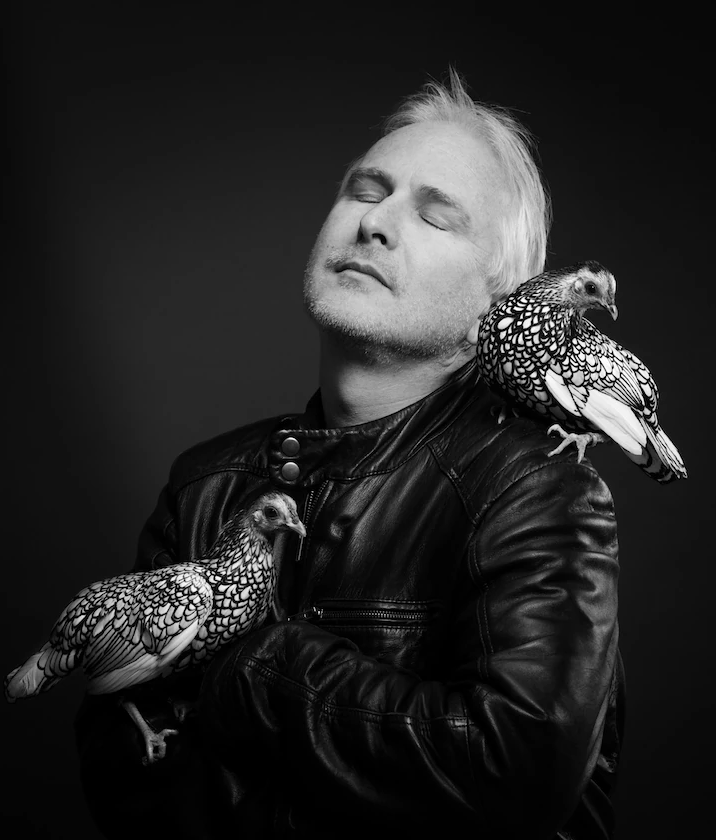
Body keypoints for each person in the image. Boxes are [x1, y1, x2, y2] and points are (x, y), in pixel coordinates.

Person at [75, 69, 624, 840]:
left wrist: (260, 671)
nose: (374, 223)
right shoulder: (204, 486)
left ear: (496, 307)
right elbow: (120, 766)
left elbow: (516, 770)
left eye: (434, 217)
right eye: (366, 191)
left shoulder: (532, 486)